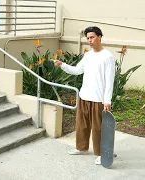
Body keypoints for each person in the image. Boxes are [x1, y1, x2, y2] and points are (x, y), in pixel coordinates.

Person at [52, 26, 116, 165]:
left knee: (98, 128)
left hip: (98, 99)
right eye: (88, 38)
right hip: (84, 96)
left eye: (92, 37)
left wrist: (107, 101)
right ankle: (82, 148)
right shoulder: (88, 55)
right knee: (82, 125)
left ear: (99, 37)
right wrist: (62, 64)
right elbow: (77, 70)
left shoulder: (108, 57)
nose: (89, 40)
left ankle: (100, 154)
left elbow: (110, 81)